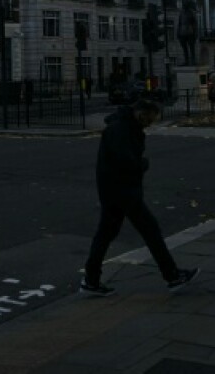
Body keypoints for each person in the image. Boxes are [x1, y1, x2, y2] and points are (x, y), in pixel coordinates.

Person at [81, 98, 198, 297]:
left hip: (114, 190)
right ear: (141, 114)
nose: (150, 123)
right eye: (150, 119)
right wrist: (142, 164)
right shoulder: (120, 130)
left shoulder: (124, 126)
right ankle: (172, 275)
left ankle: (91, 280)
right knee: (150, 230)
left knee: (106, 234)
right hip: (123, 191)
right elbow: (125, 161)